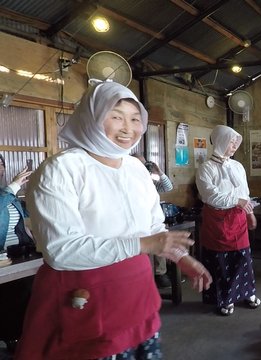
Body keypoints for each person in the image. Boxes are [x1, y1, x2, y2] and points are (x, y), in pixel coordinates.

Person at [14, 81, 212, 360]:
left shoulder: (135, 169)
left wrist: (180, 257)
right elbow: (62, 251)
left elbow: (154, 227)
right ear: (91, 117)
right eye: (116, 116)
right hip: (84, 299)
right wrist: (145, 244)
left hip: (136, 295)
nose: (127, 128)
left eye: (134, 119)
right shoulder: (62, 169)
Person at [195, 125, 261, 316]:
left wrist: (249, 212)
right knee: (222, 262)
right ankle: (226, 298)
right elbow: (210, 197)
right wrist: (237, 201)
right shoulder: (206, 169)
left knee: (244, 258)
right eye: (231, 141)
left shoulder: (237, 166)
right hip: (217, 221)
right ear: (220, 141)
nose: (234, 145)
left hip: (238, 218)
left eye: (235, 142)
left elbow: (245, 194)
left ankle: (248, 293)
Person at [0, 155, 33, 353]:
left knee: (28, 292)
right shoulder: (8, 193)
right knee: (8, 296)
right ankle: (10, 337)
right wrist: (13, 186)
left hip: (20, 252)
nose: (0, 168)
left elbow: (25, 223)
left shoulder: (10, 196)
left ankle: (22, 337)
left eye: (1, 164)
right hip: (2, 258)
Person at [134, 153, 174, 288]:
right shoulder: (126, 179)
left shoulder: (149, 181)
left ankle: (160, 274)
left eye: (144, 165)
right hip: (137, 225)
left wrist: (159, 172)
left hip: (153, 222)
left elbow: (168, 187)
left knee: (160, 242)